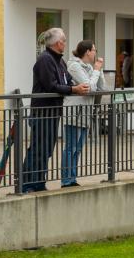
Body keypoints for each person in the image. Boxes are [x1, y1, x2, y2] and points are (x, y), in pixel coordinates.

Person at [22, 28, 89, 192]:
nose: (65, 44)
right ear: (58, 43)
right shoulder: (45, 59)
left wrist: (76, 86)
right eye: (64, 41)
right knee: (39, 148)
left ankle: (38, 182)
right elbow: (51, 85)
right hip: (43, 112)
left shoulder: (59, 61)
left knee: (46, 148)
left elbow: (66, 81)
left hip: (53, 111)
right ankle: (28, 184)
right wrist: (74, 90)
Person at [61, 40, 105, 187]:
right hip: (75, 113)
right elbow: (89, 87)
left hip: (85, 113)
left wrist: (99, 70)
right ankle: (66, 180)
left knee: (78, 148)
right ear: (87, 52)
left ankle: (72, 178)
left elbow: (101, 87)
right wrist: (97, 70)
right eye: (94, 50)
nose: (95, 53)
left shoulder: (88, 67)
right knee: (71, 148)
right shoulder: (74, 66)